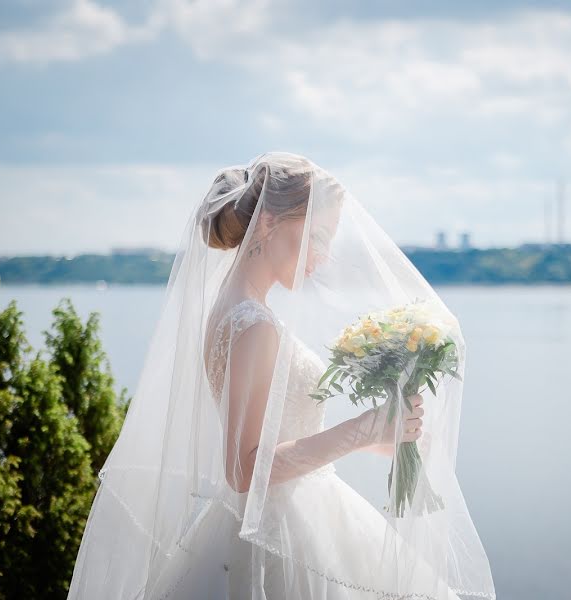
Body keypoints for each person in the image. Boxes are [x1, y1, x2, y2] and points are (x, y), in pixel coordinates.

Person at [67, 152, 496, 599]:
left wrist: (380, 436)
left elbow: (276, 436)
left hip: (266, 519)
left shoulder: (239, 308)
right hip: (278, 532)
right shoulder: (252, 324)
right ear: (269, 223)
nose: (323, 255)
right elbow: (244, 468)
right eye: (317, 236)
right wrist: (361, 427)